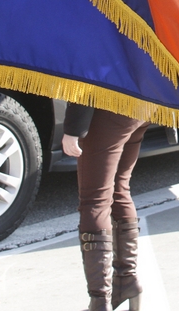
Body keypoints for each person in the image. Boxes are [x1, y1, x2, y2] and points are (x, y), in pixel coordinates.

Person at [62, 108, 148, 311]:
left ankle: (100, 301)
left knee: (95, 201)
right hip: (142, 103)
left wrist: (73, 129)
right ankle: (126, 282)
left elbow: (89, 76)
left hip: (109, 104)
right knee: (119, 187)